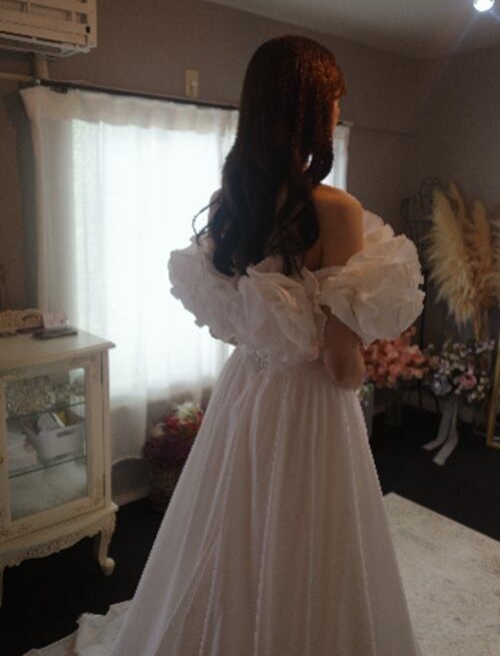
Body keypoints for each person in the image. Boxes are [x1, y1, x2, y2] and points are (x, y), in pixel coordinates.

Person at [68, 35, 424, 655]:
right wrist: (361, 364)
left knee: (229, 523)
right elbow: (340, 364)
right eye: (334, 99)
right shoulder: (335, 211)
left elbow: (238, 322)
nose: (339, 110)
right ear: (310, 110)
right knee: (309, 535)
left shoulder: (229, 204)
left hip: (244, 389)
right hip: (310, 403)